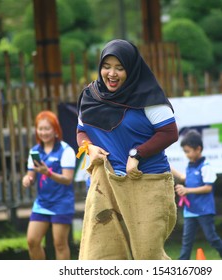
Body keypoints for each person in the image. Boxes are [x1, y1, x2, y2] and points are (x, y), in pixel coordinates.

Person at [76, 39, 178, 260]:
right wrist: (89, 148)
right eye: (107, 66)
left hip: (146, 181)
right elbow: (81, 131)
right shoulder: (91, 96)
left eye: (120, 68)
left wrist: (137, 154)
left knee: (147, 257)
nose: (112, 74)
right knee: (103, 255)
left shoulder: (149, 97)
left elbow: (170, 132)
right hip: (107, 184)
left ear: (130, 69)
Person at [171, 129, 222, 260]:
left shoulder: (206, 166)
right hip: (190, 211)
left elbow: (208, 188)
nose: (186, 155)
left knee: (212, 238)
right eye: (185, 152)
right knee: (186, 241)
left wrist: (187, 190)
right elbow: (185, 178)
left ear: (198, 149)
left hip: (204, 210)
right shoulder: (190, 166)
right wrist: (168, 167)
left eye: (188, 151)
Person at [22, 110, 76, 260]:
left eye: (47, 128)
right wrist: (27, 179)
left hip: (61, 203)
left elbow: (67, 179)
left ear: (55, 130)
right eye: (40, 129)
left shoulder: (66, 150)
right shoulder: (35, 151)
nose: (43, 132)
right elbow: (31, 175)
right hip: (42, 203)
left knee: (59, 243)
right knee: (32, 241)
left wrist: (48, 173)